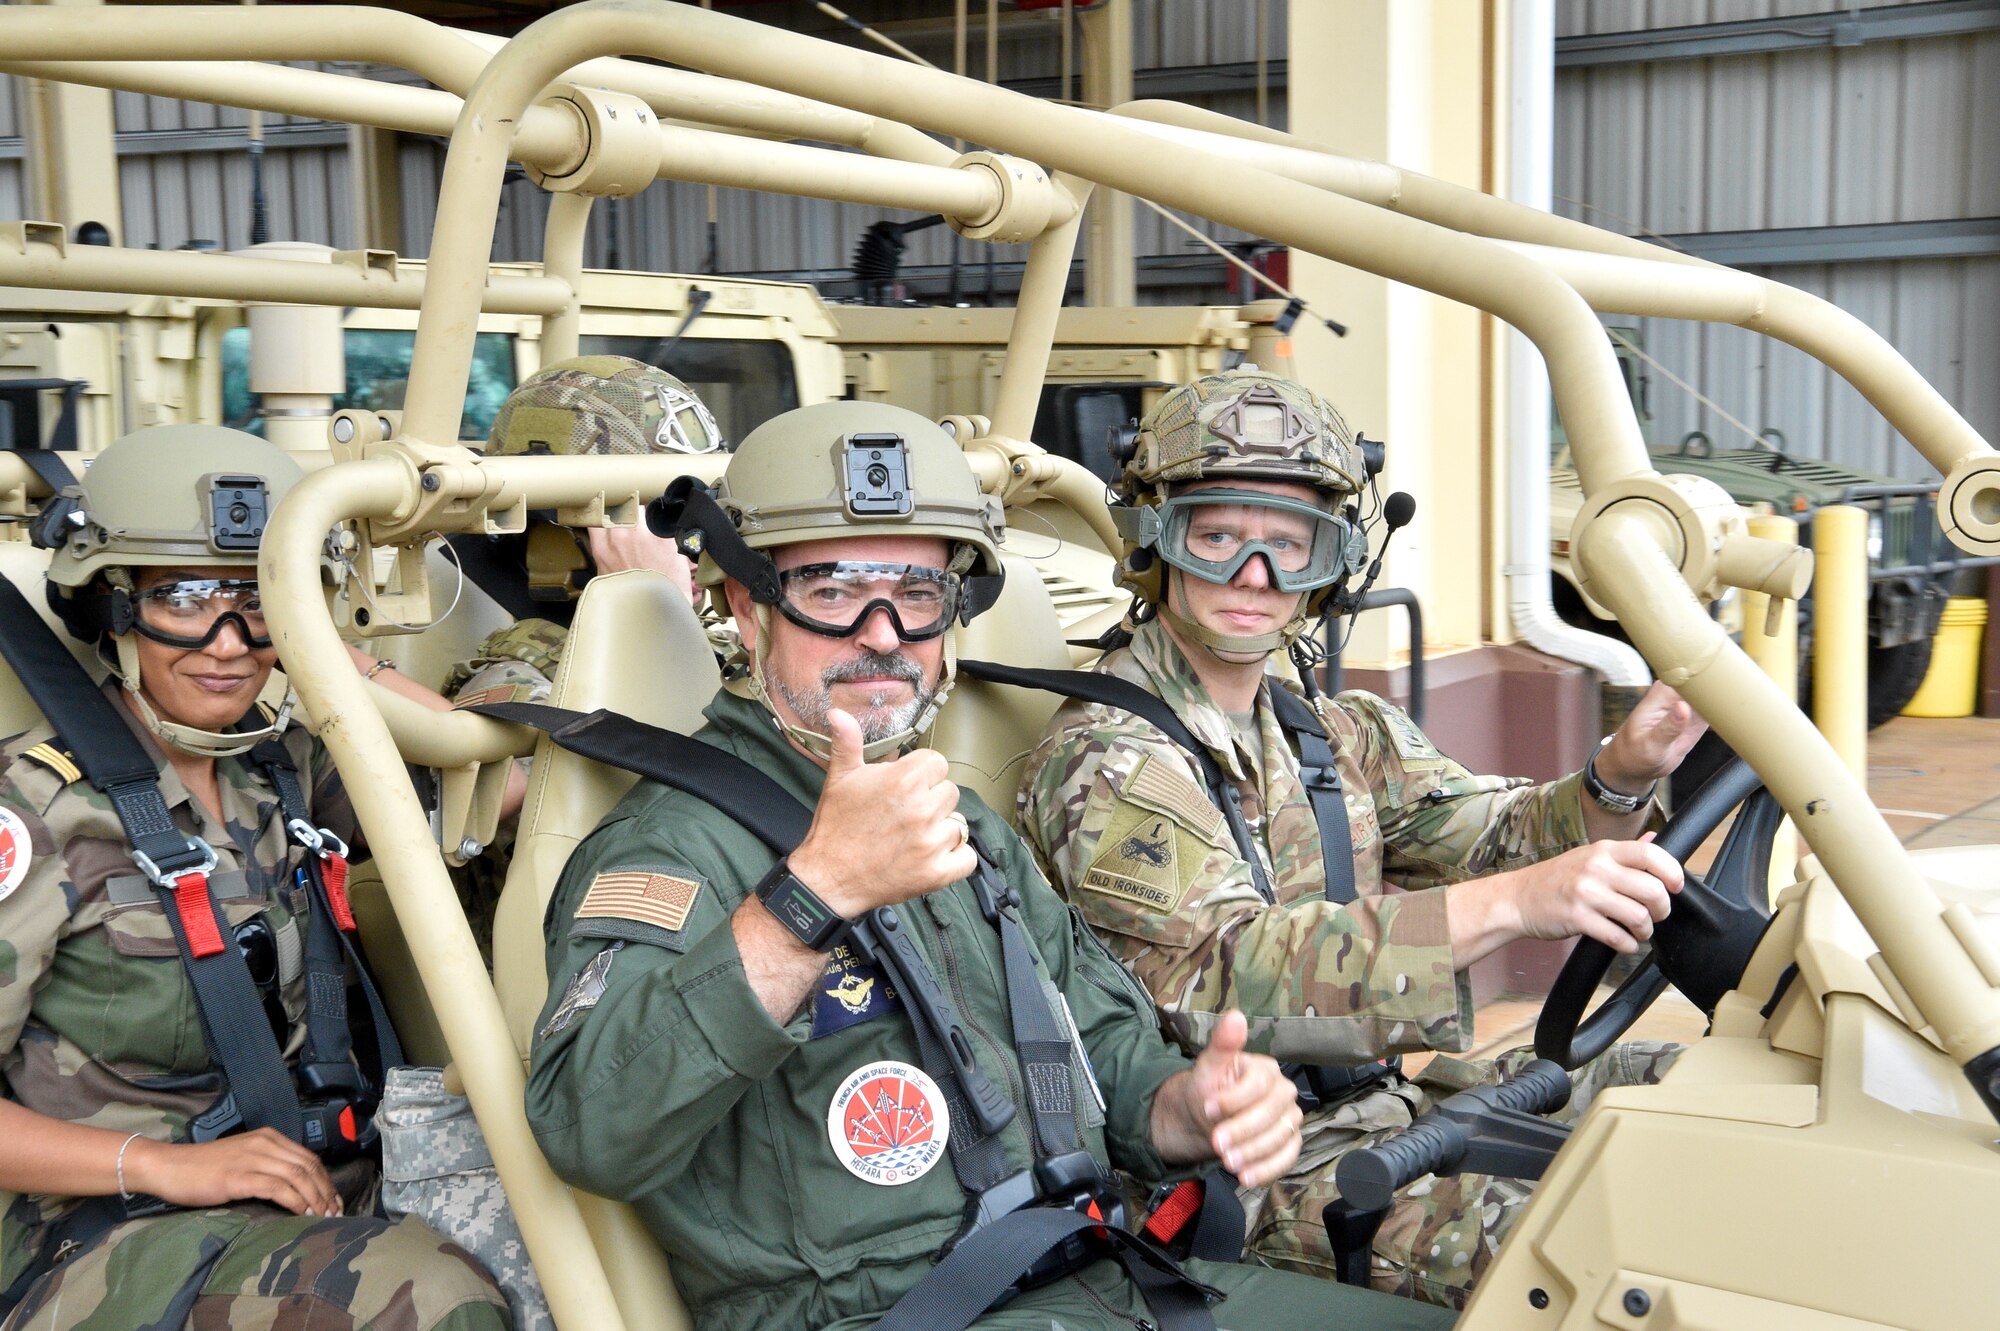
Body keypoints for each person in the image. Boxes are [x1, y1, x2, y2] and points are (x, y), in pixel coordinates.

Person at [524, 401, 1453, 1331]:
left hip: (1099, 1279)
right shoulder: (672, 848)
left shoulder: (960, 826)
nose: (885, 633)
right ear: (748, 606)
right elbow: (589, 1125)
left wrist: (1189, 1106)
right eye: (835, 591)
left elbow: (1107, 1052)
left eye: (919, 596)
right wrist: (815, 893)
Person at [1016, 368, 1704, 1309]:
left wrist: (1618, 773)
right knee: (1601, 1259)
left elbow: (1490, 833)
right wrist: (1514, 905)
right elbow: (1232, 974)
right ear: (1156, 539)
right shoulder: (1105, 759)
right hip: (1241, 1174)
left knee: (1695, 1095)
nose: (1255, 577)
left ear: (1331, 562)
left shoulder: (1331, 730)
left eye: (1289, 546)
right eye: (1217, 536)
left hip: (1379, 1110)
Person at [0, 425, 510, 1331]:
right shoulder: (38, 814)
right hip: (97, 1233)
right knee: (432, 1302)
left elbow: (499, 791)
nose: (230, 641)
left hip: (307, 1205)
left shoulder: (285, 769)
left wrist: (331, 661)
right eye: (188, 597)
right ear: (112, 608)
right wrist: (157, 1165)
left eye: (256, 598)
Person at [442, 354, 723, 712]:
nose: (696, 548)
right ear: (552, 536)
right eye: (663, 520)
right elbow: (683, 759)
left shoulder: (724, 647)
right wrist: (656, 604)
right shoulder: (526, 688)